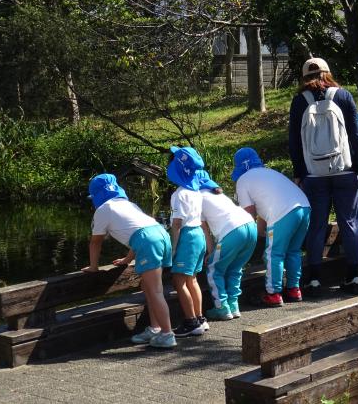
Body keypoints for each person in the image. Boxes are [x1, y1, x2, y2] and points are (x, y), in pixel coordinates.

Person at [288, 57, 358, 296]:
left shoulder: (299, 101)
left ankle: (313, 280)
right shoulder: (343, 96)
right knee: (349, 222)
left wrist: (299, 173)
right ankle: (354, 276)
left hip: (314, 174)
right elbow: (355, 134)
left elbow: (294, 140)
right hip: (345, 170)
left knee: (317, 225)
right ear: (328, 73)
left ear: (304, 77)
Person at [82, 174, 176, 349]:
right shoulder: (128, 204)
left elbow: (95, 242)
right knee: (148, 287)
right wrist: (127, 259)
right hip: (161, 234)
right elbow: (139, 231)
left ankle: (167, 334)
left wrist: (94, 266)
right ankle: (155, 328)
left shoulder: (103, 209)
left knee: (155, 291)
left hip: (148, 241)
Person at [232, 147, 311, 305]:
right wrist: (260, 230)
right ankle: (294, 289)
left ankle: (273, 293)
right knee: (293, 251)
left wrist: (248, 237)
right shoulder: (269, 172)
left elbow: (249, 213)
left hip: (283, 212)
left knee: (273, 253)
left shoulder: (243, 180)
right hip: (304, 207)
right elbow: (264, 207)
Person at [197, 170, 257, 321]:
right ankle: (234, 305)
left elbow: (204, 229)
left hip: (233, 231)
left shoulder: (197, 197)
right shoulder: (218, 194)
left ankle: (222, 308)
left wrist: (211, 251)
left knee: (213, 268)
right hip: (250, 225)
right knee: (235, 268)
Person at [167, 146, 207, 337]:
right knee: (192, 279)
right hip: (198, 234)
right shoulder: (196, 190)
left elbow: (176, 225)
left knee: (179, 280)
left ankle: (191, 322)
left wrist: (173, 250)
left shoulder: (179, 194)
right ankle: (200, 318)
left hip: (187, 237)